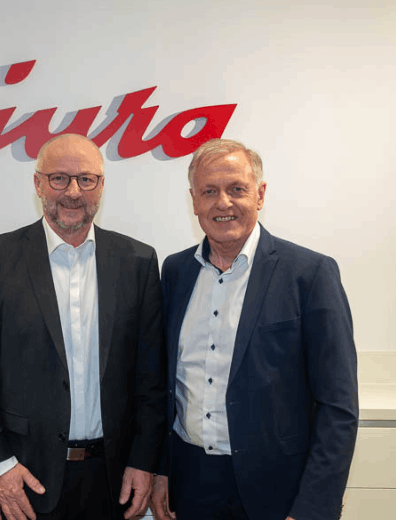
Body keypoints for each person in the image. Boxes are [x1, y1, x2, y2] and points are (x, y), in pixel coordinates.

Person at [0, 133, 166, 520]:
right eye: (59, 179)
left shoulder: (138, 261)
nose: (72, 192)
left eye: (86, 179)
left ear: (101, 186)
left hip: (112, 482)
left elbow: (151, 378)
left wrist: (143, 461)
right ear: (38, 184)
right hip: (21, 478)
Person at [151, 139, 358, 520]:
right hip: (191, 481)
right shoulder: (176, 271)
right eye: (209, 191)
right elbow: (169, 385)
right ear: (194, 201)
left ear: (260, 195)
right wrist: (161, 469)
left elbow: (338, 407)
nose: (223, 203)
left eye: (236, 189)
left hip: (279, 489)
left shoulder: (310, 274)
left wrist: (312, 508)